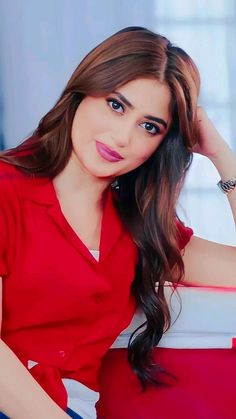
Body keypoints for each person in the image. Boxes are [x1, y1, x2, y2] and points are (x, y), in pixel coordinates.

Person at [0, 26, 235, 419]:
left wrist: (221, 153)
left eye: (150, 126)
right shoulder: (7, 192)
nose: (123, 136)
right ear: (84, 90)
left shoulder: (142, 227)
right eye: (116, 105)